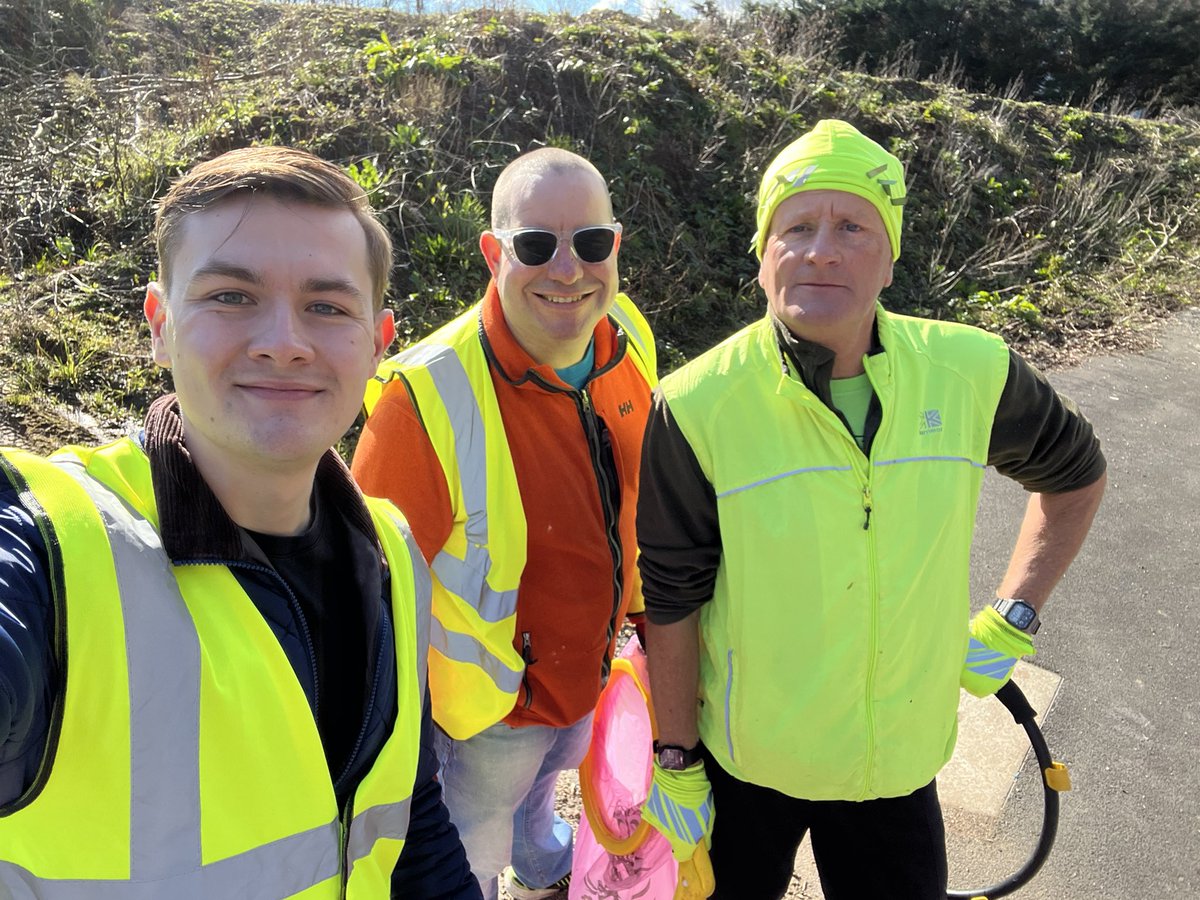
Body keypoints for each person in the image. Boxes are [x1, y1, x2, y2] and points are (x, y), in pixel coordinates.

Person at [635, 119, 1108, 900]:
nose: (821, 248)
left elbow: (1076, 476)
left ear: (890, 256)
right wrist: (677, 759)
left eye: (852, 226)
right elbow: (673, 595)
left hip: (896, 762)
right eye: (796, 227)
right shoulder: (696, 404)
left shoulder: (970, 370)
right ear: (762, 256)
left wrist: (1013, 614)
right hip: (749, 761)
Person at [0, 146, 480, 899]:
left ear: (379, 343)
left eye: (327, 306)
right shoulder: (51, 544)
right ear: (159, 324)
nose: (283, 341)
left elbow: (410, 822)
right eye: (230, 296)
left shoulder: (389, 550)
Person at [352, 147, 657, 900]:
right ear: (494, 254)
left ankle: (543, 864)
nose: (567, 270)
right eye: (535, 245)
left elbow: (639, 498)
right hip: (487, 718)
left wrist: (649, 623)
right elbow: (368, 604)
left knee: (552, 785)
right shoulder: (422, 401)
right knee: (467, 850)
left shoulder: (628, 340)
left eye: (590, 243)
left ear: (614, 247)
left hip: (588, 673)